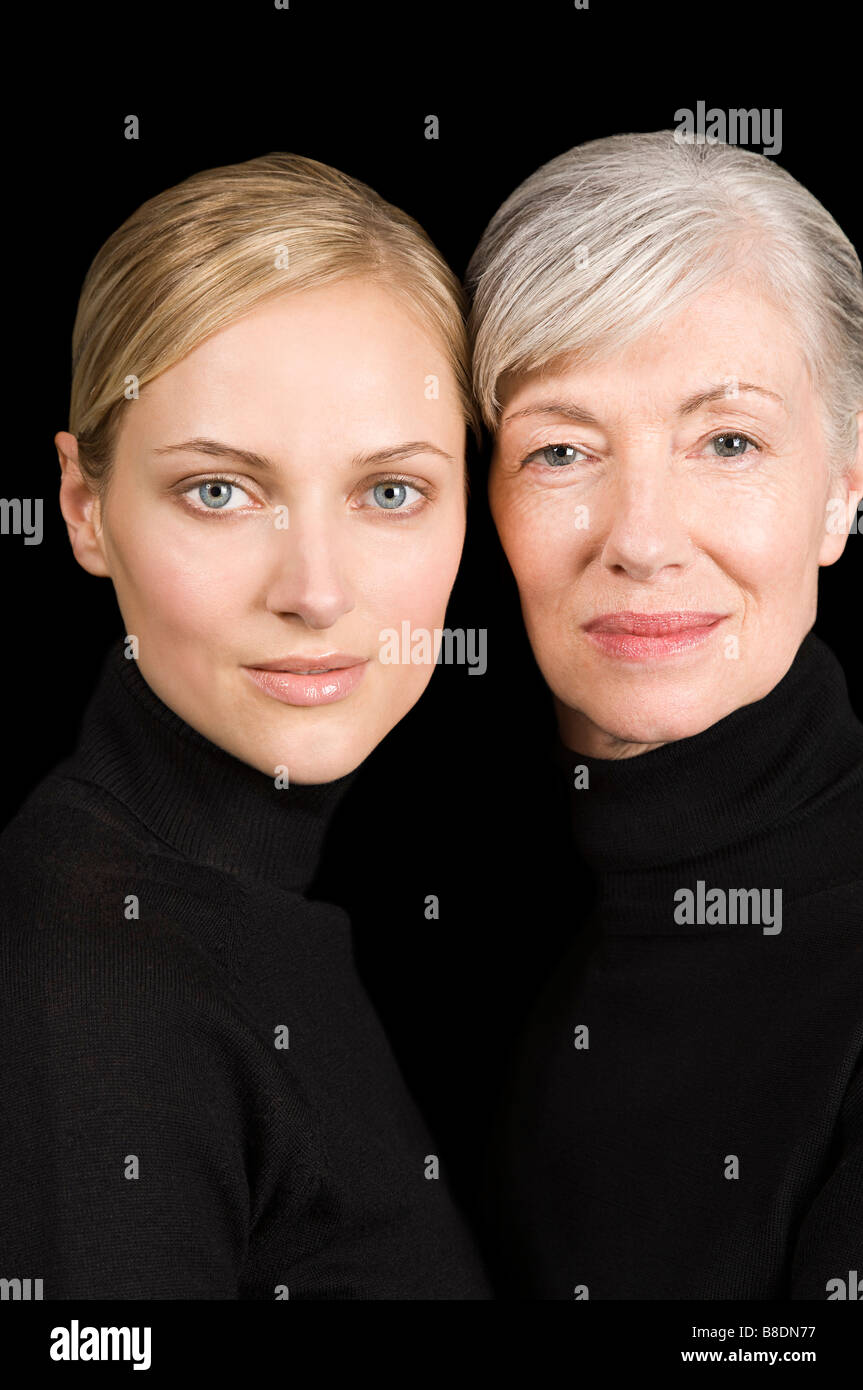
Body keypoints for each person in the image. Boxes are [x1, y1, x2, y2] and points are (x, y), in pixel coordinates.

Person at [0, 153, 492, 1299]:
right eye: (220, 489)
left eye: (389, 492)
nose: (315, 591)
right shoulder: (98, 982)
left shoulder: (230, 915)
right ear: (84, 510)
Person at [464, 130, 863, 1299]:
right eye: (558, 449)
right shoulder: (424, 905)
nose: (639, 537)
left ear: (843, 484)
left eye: (727, 440)